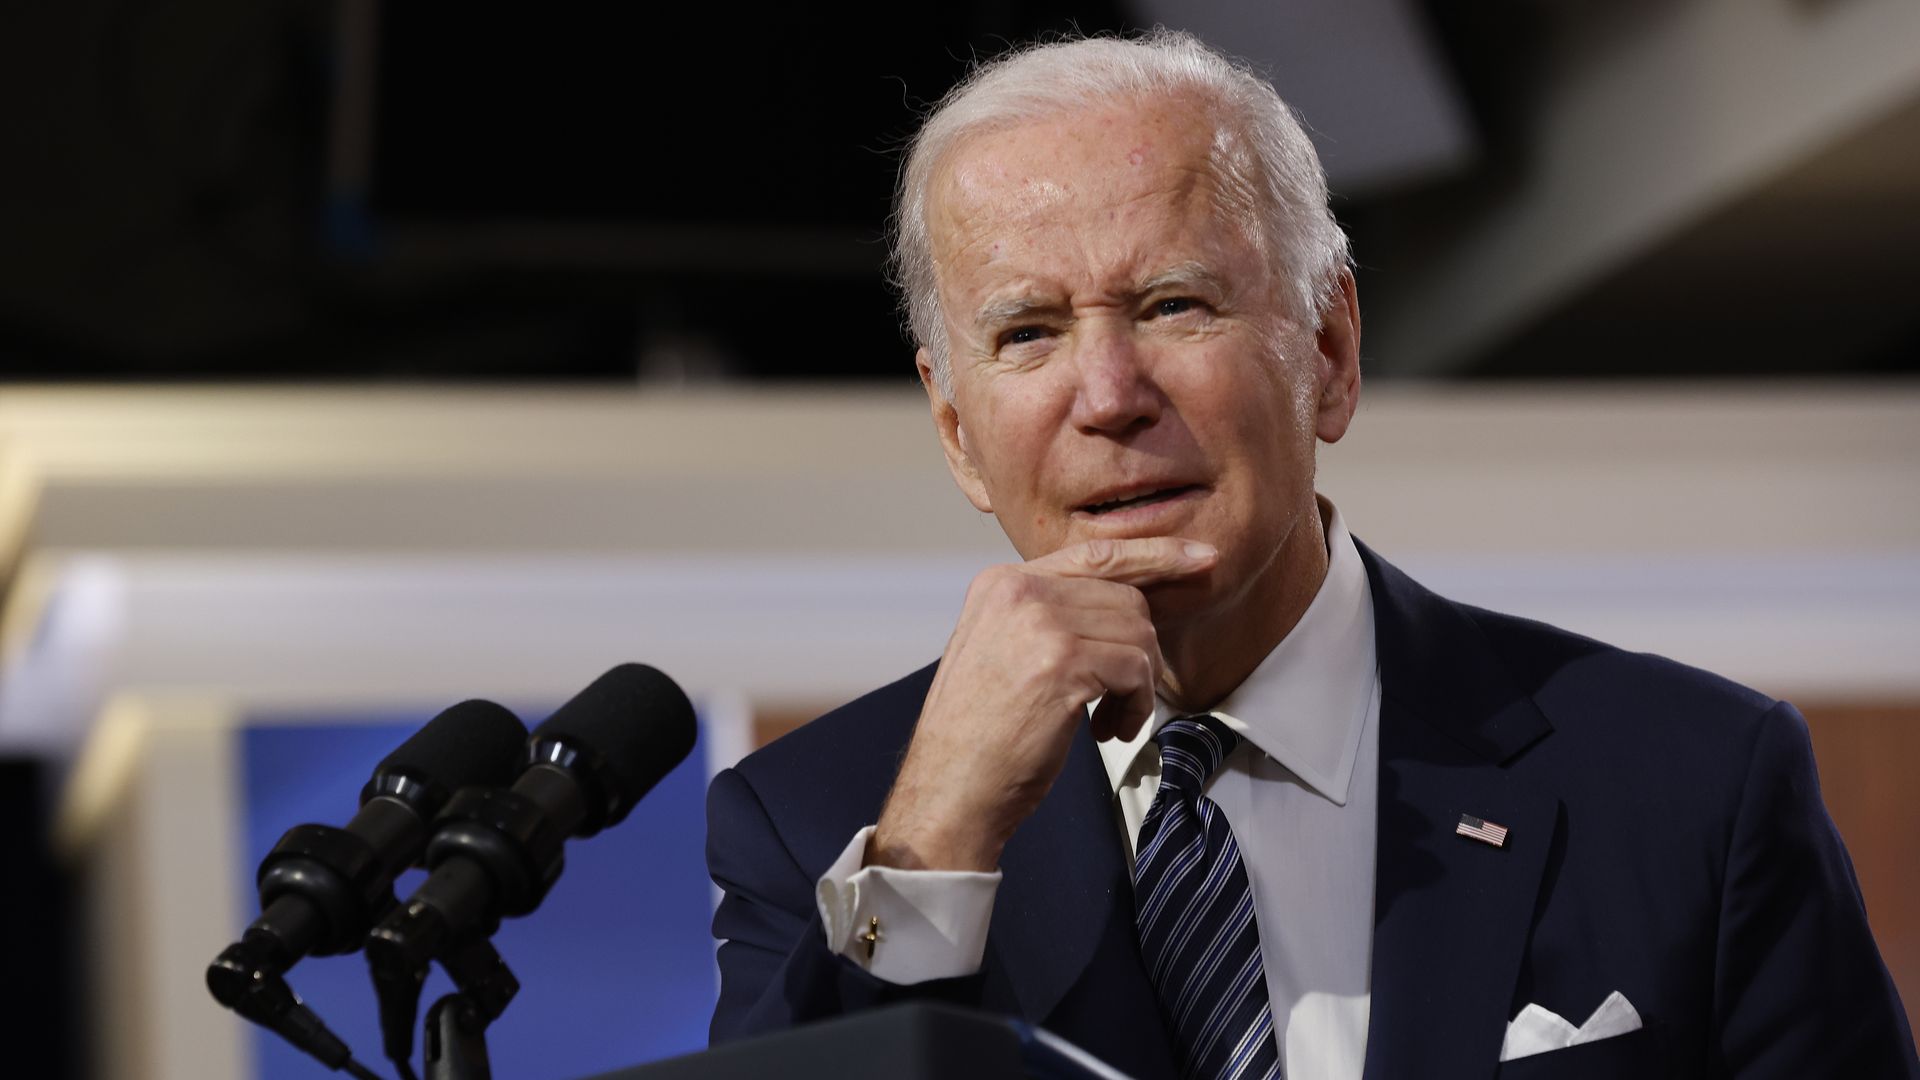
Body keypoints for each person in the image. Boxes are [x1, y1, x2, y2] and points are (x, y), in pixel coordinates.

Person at [705, 30, 1918, 1079]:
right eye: (1029, 332)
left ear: (1329, 349)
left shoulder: (1687, 781)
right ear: (961, 437)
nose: (1110, 395)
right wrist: (934, 851)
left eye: (1175, 305)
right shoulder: (817, 821)